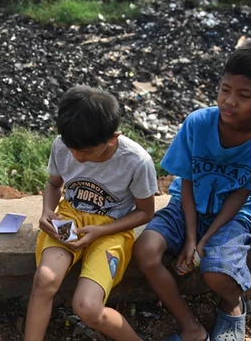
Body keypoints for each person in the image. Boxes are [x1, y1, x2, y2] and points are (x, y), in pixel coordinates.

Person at [133, 42, 251, 341]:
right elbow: (187, 182)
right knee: (145, 250)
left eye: (244, 96)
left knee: (216, 272)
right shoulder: (198, 123)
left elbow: (242, 194)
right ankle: (191, 327)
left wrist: (204, 242)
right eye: (224, 89)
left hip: (234, 217)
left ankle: (233, 303)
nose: (229, 101)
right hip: (185, 207)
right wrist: (191, 237)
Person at [24, 85, 158, 341]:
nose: (76, 156)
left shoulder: (136, 161)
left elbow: (145, 213)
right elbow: (54, 184)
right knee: (44, 280)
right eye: (71, 149)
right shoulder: (64, 144)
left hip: (112, 229)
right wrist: (46, 211)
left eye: (85, 152)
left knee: (87, 307)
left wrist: (101, 231)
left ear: (112, 138)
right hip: (69, 218)